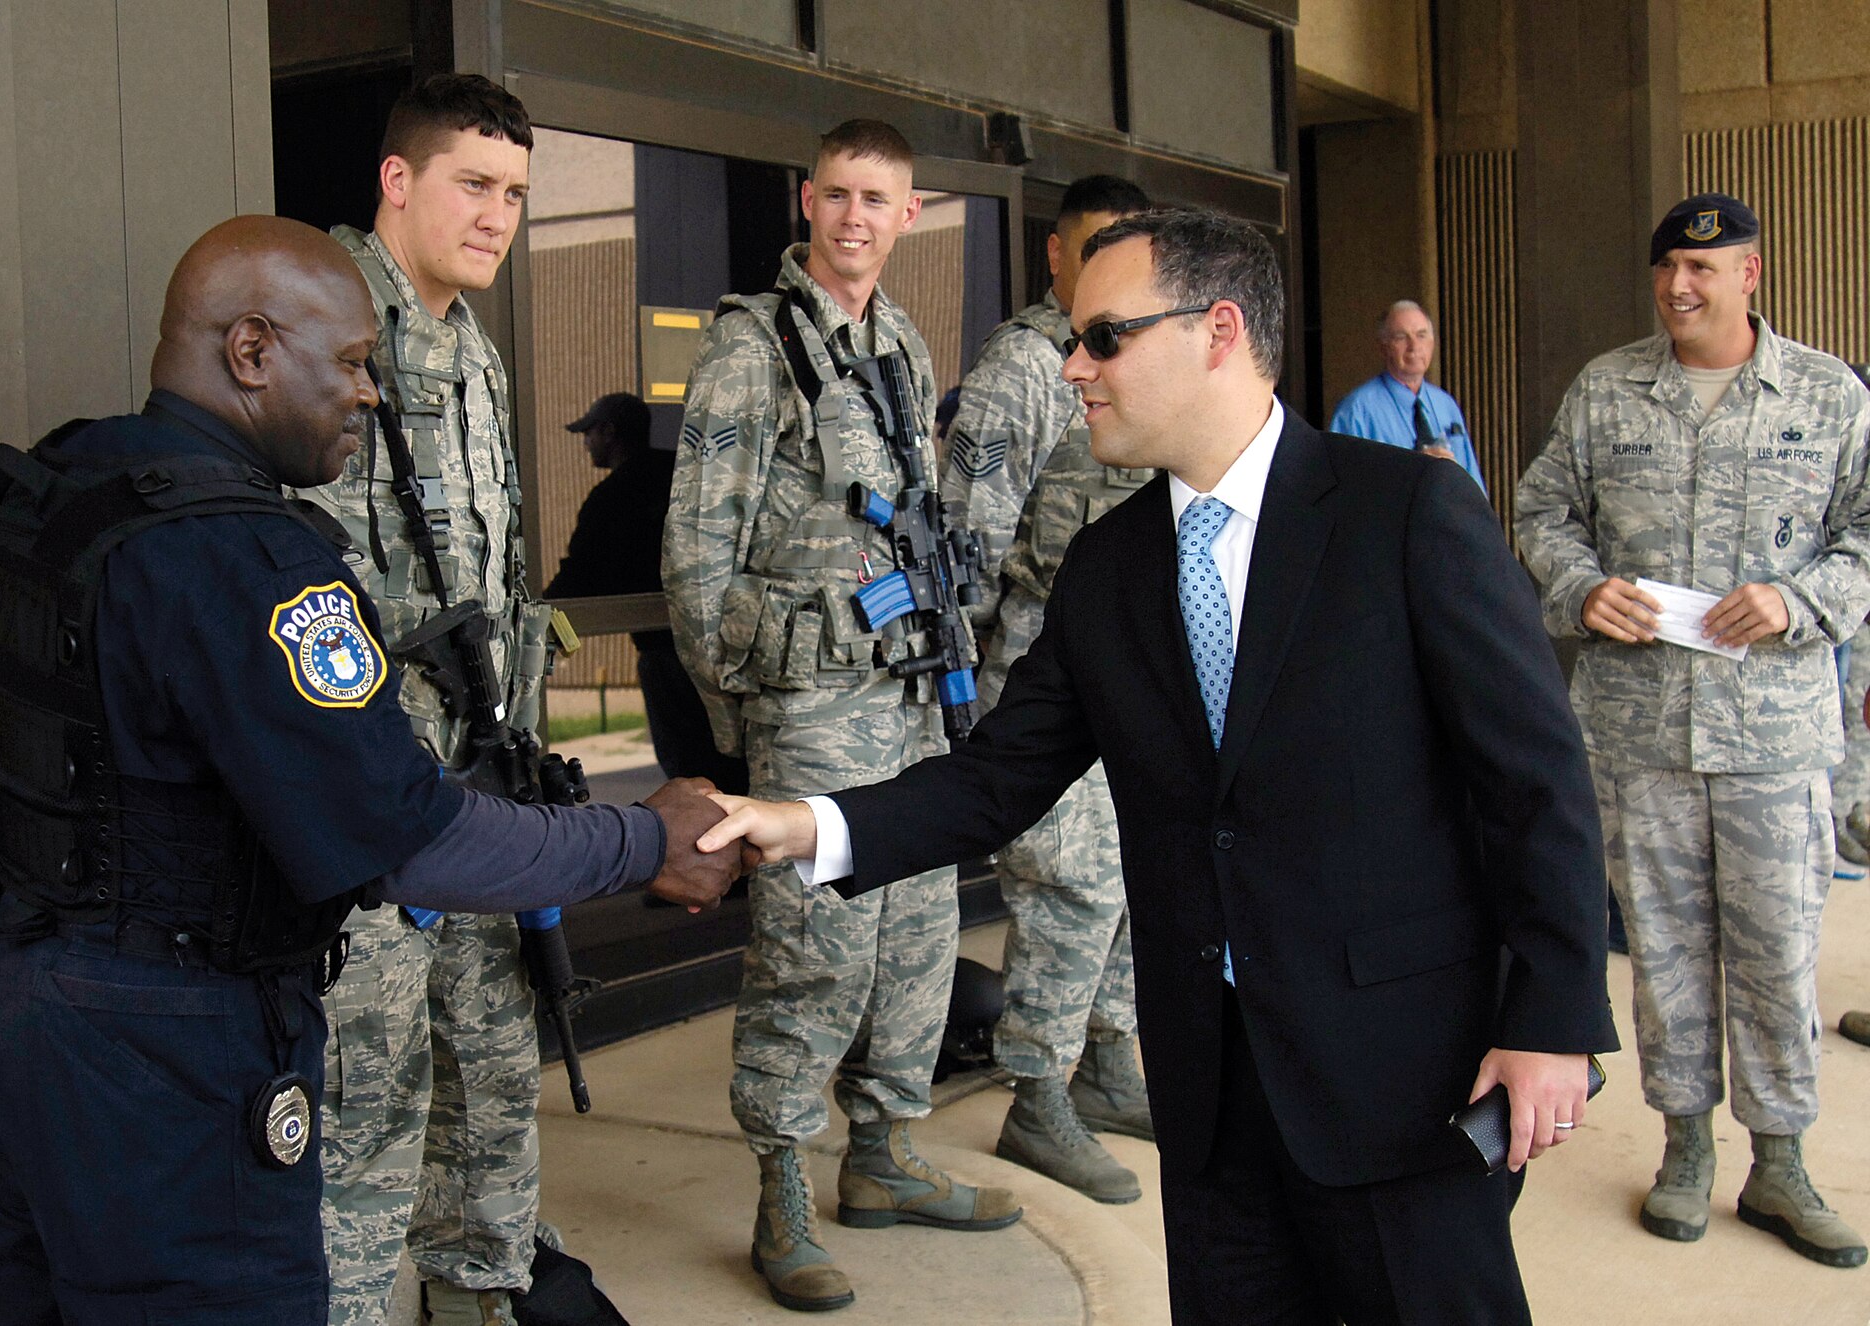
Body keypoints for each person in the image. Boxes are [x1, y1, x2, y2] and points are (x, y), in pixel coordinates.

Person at [703, 206, 1616, 1324]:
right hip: (1210, 1090)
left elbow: (1536, 786)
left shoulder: (1405, 516)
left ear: (1217, 330)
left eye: (1102, 338)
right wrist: (802, 826)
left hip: (1396, 1079)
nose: (1072, 367)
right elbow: (995, 781)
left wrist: (1549, 1022)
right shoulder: (1107, 567)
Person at [0, 215, 737, 1322]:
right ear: (249, 352)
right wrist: (645, 840)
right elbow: (410, 837)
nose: (367, 394)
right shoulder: (256, 563)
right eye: (349, 363)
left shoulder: (33, 494)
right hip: (170, 1053)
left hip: (14, 1024)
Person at [662, 118, 1021, 1313]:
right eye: (838, 196)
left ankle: (883, 1154)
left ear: (909, 214)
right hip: (810, 699)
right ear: (807, 201)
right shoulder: (750, 345)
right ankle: (781, 1186)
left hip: (913, 686)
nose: (856, 217)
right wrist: (738, 712)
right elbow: (696, 550)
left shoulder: (905, 345)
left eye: (880, 199)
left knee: (920, 934)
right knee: (814, 949)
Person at [1516, 192, 1870, 1269]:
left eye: (1705, 270)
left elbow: (1863, 535)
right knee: (1662, 954)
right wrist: (1579, 591)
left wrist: (1798, 601)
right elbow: (1539, 514)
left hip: (1773, 738)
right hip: (1637, 735)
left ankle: (1778, 1161)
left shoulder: (1824, 393)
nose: (1680, 287)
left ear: (1751, 274)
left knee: (1773, 954)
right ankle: (1681, 1151)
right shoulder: (1604, 389)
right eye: (1669, 266)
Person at [281, 74, 559, 1326]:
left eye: (512, 193)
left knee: (495, 1075)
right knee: (368, 1099)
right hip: (368, 805)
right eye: (471, 184)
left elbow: (500, 581)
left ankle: (480, 1300)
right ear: (397, 178)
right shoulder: (316, 321)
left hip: (481, 790)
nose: (496, 215)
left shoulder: (478, 356)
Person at [940, 173, 1154, 1204]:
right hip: (1035, 664)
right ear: (1057, 256)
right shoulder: (1022, 366)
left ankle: (1107, 1065)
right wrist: (973, 696)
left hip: (1125, 668)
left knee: (1123, 880)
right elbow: (971, 537)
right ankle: (1035, 1095)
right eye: (1096, 243)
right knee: (1069, 884)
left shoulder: (1133, 350)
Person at [546, 391, 745, 793]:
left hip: (665, 653)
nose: (586, 444)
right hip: (723, 645)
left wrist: (537, 617)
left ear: (609, 432)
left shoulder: (613, 498)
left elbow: (580, 576)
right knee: (731, 761)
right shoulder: (683, 476)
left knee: (691, 771)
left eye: (589, 433)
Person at [1329, 300, 1487, 492]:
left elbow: (1474, 484)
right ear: (1384, 347)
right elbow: (1343, 489)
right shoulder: (1356, 410)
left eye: (1421, 335)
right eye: (1402, 337)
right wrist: (1413, 472)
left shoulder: (1446, 404)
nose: (1414, 346)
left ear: (1433, 342)